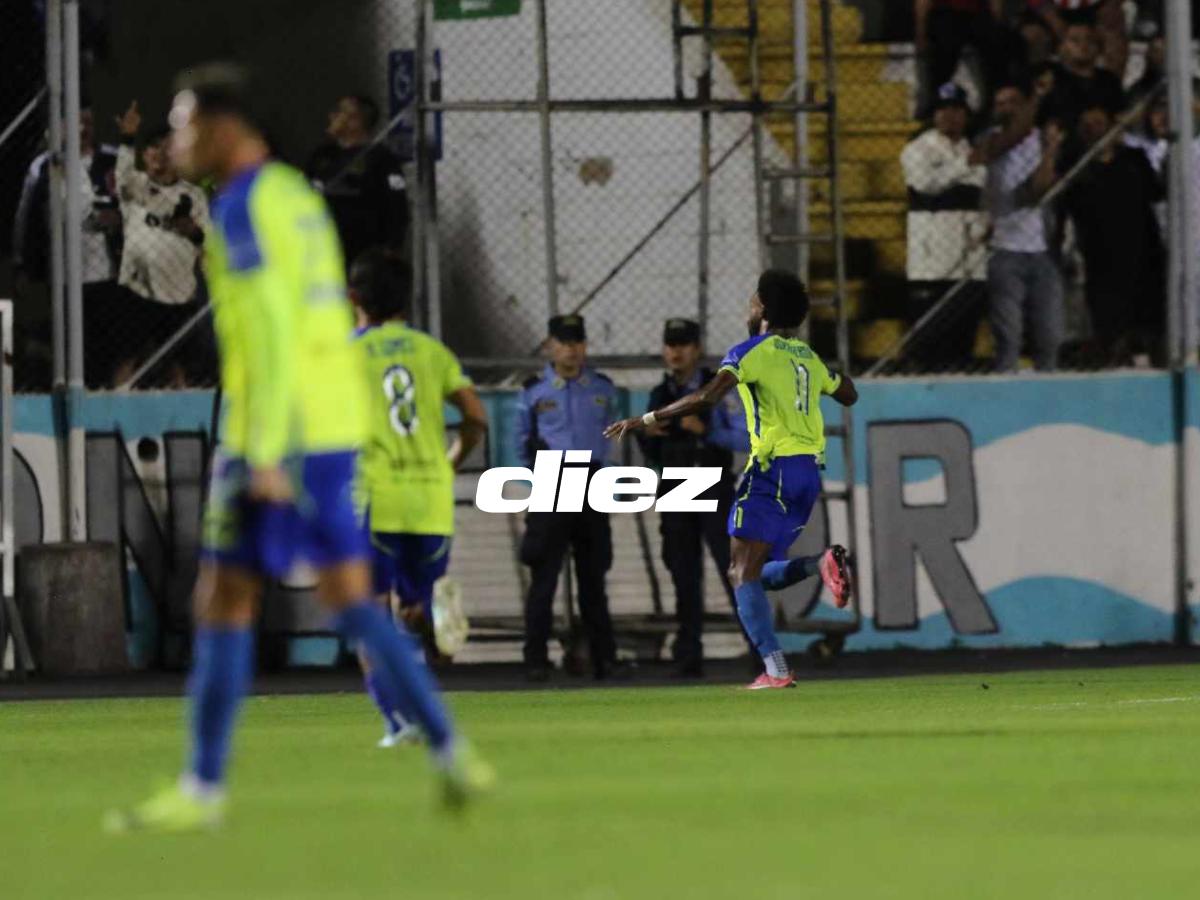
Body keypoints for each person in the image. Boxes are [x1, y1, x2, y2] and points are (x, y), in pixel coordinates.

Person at [105, 63, 492, 834]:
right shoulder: (295, 195)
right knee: (348, 598)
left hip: (276, 433)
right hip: (332, 428)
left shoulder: (244, 206)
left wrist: (265, 452)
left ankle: (202, 787)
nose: (175, 143)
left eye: (183, 126)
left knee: (224, 600)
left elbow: (274, 330)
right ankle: (452, 753)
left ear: (222, 126)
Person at [605, 271, 857, 691]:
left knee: (740, 573)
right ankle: (819, 564)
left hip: (771, 469)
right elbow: (848, 393)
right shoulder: (807, 357)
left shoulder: (749, 351)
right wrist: (819, 376)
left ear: (763, 310)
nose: (748, 309)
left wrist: (644, 419)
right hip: (808, 474)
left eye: (752, 301)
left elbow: (707, 396)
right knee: (757, 573)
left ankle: (776, 669)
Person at [348, 247, 488, 746]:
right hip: (430, 499)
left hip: (376, 498)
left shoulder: (345, 354)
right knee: (411, 608)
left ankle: (396, 718)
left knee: (367, 610)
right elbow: (476, 419)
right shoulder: (432, 352)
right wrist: (449, 460)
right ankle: (428, 625)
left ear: (353, 297)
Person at [637, 318, 752, 678]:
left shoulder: (718, 389)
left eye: (683, 345)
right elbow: (651, 449)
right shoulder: (660, 394)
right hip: (676, 485)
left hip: (711, 481)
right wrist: (648, 436)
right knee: (682, 573)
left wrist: (706, 430)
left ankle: (760, 648)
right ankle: (688, 654)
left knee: (733, 569)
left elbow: (745, 438)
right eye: (671, 345)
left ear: (697, 349)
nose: (676, 352)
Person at [515, 314, 625, 682]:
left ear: (585, 345)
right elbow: (520, 443)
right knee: (544, 578)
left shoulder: (602, 388)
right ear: (550, 346)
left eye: (577, 342)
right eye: (563, 342)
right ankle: (535, 659)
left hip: (592, 480)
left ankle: (604, 658)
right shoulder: (534, 390)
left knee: (593, 578)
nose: (571, 349)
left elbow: (614, 441)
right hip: (553, 479)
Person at [12, 103, 123, 387]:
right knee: (68, 344)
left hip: (107, 272)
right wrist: (24, 263)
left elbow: (139, 199)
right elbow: (27, 216)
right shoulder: (45, 165)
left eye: (88, 122)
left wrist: (120, 218)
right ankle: (71, 391)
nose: (83, 129)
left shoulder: (112, 159)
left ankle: (103, 393)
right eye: (75, 122)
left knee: (107, 342)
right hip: (61, 273)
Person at [112, 101, 210, 386]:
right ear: (144, 154)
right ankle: (116, 405)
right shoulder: (136, 186)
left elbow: (209, 243)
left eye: (168, 148)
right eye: (154, 147)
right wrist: (127, 138)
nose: (161, 154)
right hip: (138, 291)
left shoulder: (194, 196)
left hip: (179, 295)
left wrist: (194, 232)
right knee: (127, 360)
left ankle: (181, 409)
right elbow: (122, 176)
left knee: (178, 367)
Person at [1061, 104, 1166, 365]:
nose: (1093, 131)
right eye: (1086, 126)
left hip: (1144, 254)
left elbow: (1156, 192)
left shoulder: (1133, 158)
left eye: (1098, 123)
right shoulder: (1077, 167)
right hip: (1102, 259)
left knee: (1152, 325)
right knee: (1111, 329)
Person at [973, 80, 1064, 372]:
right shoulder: (988, 140)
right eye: (1000, 103)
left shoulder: (1044, 140)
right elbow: (1025, 193)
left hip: (1042, 249)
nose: (1005, 109)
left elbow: (1041, 188)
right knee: (1008, 335)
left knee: (1049, 334)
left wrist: (1050, 151)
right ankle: (1006, 383)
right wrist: (1037, 98)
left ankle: (1047, 381)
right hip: (1004, 249)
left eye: (1012, 102)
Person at [900, 83, 988, 370]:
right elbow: (925, 184)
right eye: (944, 109)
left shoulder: (971, 147)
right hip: (931, 261)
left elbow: (979, 193)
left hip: (969, 255)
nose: (950, 115)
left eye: (957, 109)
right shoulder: (918, 148)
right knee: (931, 333)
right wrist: (965, 165)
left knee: (964, 333)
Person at [306, 94, 409, 270]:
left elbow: (397, 204)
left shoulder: (380, 158)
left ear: (355, 121)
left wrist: (393, 246)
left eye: (339, 111)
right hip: (324, 247)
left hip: (363, 251)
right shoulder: (322, 157)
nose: (332, 116)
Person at [913, 0, 1011, 121]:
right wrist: (921, 30)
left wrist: (997, 20)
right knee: (941, 64)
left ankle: (991, 109)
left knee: (993, 57)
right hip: (946, 15)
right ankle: (933, 109)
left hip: (977, 14)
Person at [1038, 21, 1126, 142]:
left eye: (1090, 40)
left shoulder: (1110, 80)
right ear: (1061, 46)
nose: (1083, 45)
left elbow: (1119, 117)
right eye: (1075, 40)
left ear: (1098, 47)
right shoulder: (1047, 74)